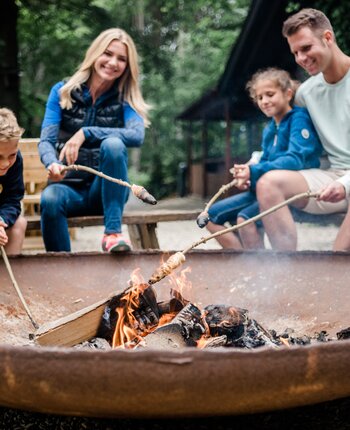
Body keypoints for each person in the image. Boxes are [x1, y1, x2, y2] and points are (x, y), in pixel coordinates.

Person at [38, 28, 150, 253]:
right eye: (107, 54)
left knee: (113, 144)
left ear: (127, 66)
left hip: (106, 192)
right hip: (68, 188)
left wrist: (86, 132)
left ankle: (112, 234)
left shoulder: (124, 100)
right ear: (95, 54)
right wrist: (52, 163)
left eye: (121, 59)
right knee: (49, 199)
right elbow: (46, 141)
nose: (112, 62)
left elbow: (137, 135)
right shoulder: (62, 92)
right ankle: (61, 274)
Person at [256, 8, 350, 251]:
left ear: (327, 38)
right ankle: (288, 272)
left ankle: (335, 269)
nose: (300, 58)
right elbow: (283, 132)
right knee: (268, 183)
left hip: (345, 182)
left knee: (337, 259)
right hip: (331, 176)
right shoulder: (306, 93)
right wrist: (254, 164)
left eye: (306, 48)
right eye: (295, 52)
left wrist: (345, 185)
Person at [206, 67, 322, 249]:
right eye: (260, 97)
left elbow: (295, 160)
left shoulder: (298, 119)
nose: (264, 101)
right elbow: (266, 161)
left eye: (270, 94)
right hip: (262, 189)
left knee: (245, 219)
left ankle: (259, 269)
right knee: (208, 217)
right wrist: (248, 177)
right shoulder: (269, 128)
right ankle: (245, 263)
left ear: (288, 94)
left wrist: (254, 171)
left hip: (290, 190)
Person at [0, 108, 27, 255]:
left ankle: (6, 277)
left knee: (19, 223)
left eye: (12, 155)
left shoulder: (16, 162)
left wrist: (1, 219)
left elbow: (13, 199)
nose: (5, 164)